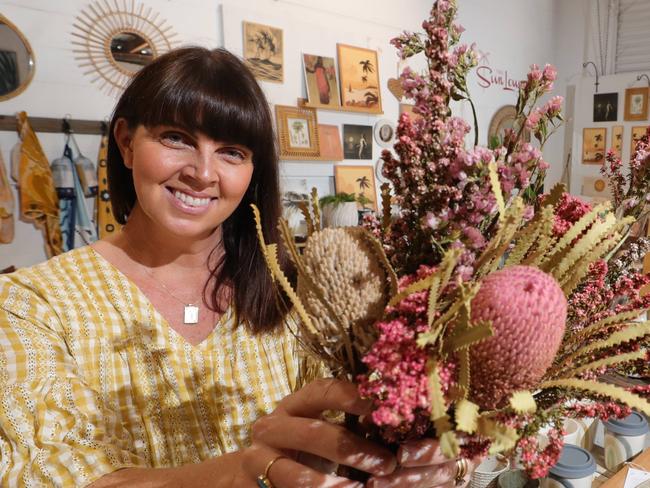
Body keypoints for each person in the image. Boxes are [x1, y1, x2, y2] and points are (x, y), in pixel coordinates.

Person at [0, 47, 477, 487]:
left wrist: (421, 456)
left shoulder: (294, 294)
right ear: (126, 143)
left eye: (231, 152)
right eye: (176, 138)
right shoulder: (36, 303)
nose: (203, 173)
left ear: (253, 172)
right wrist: (241, 472)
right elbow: (48, 473)